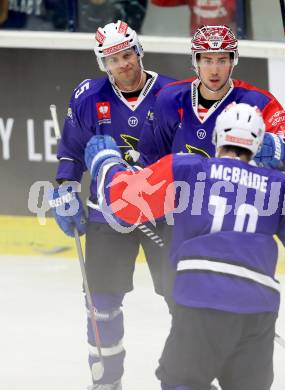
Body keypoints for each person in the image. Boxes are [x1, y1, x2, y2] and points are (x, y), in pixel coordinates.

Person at [84, 102, 285, 390]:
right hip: (258, 308)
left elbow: (122, 204)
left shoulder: (187, 167)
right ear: (256, 145)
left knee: (181, 383)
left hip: (201, 298)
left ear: (217, 138)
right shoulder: (279, 185)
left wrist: (106, 163)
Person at [48, 20, 175, 390]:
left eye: (127, 54)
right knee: (101, 304)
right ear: (103, 64)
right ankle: (107, 381)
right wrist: (66, 190)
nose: (123, 64)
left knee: (183, 300)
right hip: (108, 214)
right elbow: (71, 152)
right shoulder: (88, 97)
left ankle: (189, 377)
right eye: (113, 59)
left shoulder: (173, 93)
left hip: (162, 214)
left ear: (139, 51)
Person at [139, 24, 285, 179]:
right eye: (207, 60)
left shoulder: (259, 102)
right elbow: (149, 161)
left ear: (233, 61)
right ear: (195, 61)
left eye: (222, 61)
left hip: (237, 203)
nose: (214, 70)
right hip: (182, 203)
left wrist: (276, 149)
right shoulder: (169, 99)